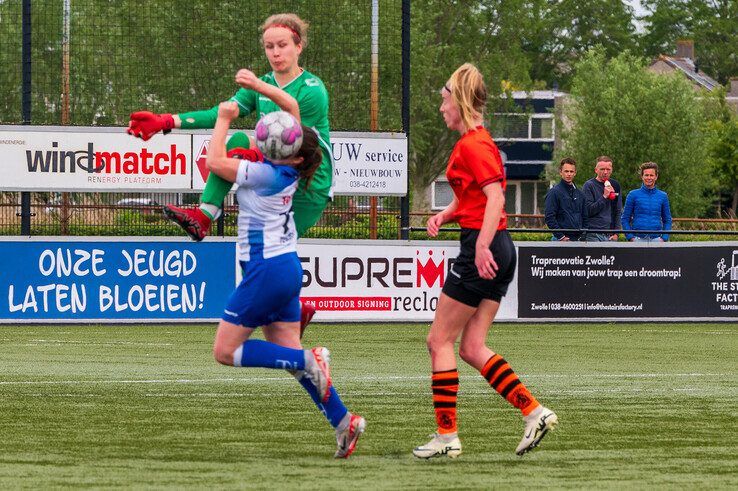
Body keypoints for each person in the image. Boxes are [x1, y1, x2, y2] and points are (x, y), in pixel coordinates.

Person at [127, 14, 330, 333]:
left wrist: (252, 150)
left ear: (298, 47)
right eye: (268, 47)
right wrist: (166, 120)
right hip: (278, 175)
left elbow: (293, 139)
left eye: (282, 45)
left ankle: (290, 308)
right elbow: (218, 112)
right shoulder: (261, 84)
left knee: (266, 256)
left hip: (308, 183)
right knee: (235, 143)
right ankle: (205, 216)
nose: (275, 53)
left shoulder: (313, 89)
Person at [412, 63, 557, 459]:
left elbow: (495, 198)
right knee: (472, 347)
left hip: (486, 246)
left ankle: (447, 437)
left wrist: (480, 246)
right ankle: (534, 411)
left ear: (458, 100)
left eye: (444, 100)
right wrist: (445, 214)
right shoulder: (474, 143)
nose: (441, 107)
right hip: (497, 245)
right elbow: (474, 196)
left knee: (438, 340)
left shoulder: (474, 145)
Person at [206, 101, 365, 459]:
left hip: (267, 271)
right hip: (285, 269)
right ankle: (344, 422)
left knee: (225, 351)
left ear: (295, 159)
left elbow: (214, 163)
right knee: (292, 357)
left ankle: (311, 359)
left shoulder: (269, 175)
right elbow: (288, 113)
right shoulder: (283, 171)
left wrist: (223, 119)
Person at [622, 162, 672, 242]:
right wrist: (631, 238)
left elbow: (667, 220)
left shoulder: (663, 196)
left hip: (657, 240)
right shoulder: (633, 195)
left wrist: (664, 238)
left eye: (651, 175)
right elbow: (625, 219)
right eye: (646, 175)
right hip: (637, 239)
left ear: (656, 177)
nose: (649, 178)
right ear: (642, 176)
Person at [544, 158, 588, 241]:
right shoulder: (554, 193)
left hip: (578, 239)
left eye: (571, 171)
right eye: (566, 171)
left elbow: (585, 217)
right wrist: (561, 236)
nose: (569, 174)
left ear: (575, 173)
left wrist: (583, 234)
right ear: (561, 172)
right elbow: (549, 217)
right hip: (560, 239)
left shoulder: (580, 194)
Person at [582, 156, 622, 241]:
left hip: (610, 234)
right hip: (593, 233)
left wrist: (617, 233)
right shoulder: (589, 185)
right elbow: (588, 211)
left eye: (608, 169)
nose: (605, 172)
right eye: (602, 169)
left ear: (612, 170)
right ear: (596, 170)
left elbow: (618, 210)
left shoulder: (615, 185)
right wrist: (604, 197)